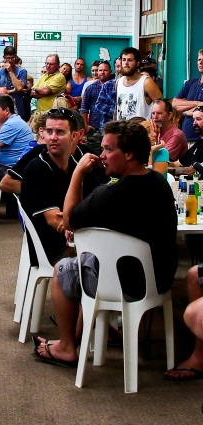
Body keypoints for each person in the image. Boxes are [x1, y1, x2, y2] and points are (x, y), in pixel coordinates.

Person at [33, 121, 177, 367]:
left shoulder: (110, 195)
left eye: (108, 149)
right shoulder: (158, 182)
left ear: (128, 154)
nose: (102, 156)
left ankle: (67, 347)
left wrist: (78, 172)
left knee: (63, 269)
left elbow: (68, 221)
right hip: (160, 278)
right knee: (87, 264)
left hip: (125, 283)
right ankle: (82, 337)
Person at [1, 108, 99, 264]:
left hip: (78, 241)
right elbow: (57, 222)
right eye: (49, 131)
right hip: (53, 249)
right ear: (43, 134)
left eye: (60, 132)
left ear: (74, 136)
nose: (53, 137)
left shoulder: (76, 165)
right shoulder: (36, 168)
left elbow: (96, 203)